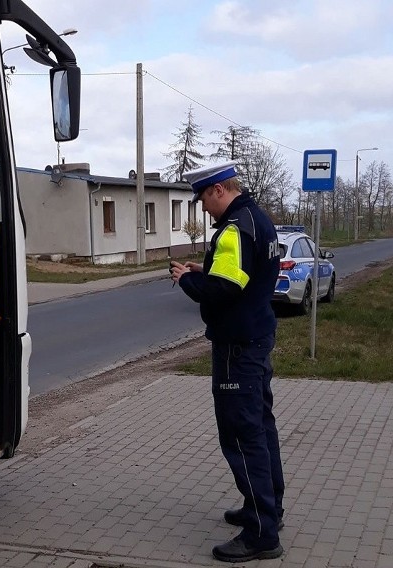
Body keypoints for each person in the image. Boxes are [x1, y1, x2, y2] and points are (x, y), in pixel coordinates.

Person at [170, 161, 285, 563]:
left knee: (241, 434)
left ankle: (260, 532)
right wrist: (206, 267)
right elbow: (242, 275)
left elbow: (221, 292)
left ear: (219, 189)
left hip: (237, 346)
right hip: (256, 335)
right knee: (261, 427)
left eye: (202, 197)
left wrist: (186, 279)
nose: (202, 207)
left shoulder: (234, 228)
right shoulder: (258, 219)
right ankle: (269, 508)